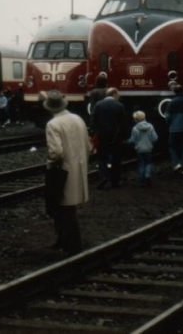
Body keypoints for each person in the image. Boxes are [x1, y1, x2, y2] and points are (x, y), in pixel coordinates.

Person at [43, 89, 91, 254]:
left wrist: (49, 164)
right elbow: (88, 146)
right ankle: (64, 241)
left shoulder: (53, 124)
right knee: (70, 208)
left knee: (62, 207)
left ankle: (71, 244)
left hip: (62, 171)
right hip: (79, 167)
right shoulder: (78, 119)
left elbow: (56, 152)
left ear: (49, 108)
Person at [90, 87, 129, 189]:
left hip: (102, 135)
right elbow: (123, 123)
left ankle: (103, 176)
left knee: (102, 157)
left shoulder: (99, 105)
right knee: (116, 158)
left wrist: (94, 132)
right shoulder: (119, 106)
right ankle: (115, 181)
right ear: (114, 94)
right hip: (116, 136)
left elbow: (93, 120)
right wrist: (124, 136)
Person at [165, 83, 183, 173]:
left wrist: (169, 124)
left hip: (174, 128)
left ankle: (176, 163)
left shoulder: (172, 102)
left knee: (172, 146)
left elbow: (168, 116)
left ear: (174, 92)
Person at [127, 110, 158, 187]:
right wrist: (151, 144)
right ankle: (147, 175)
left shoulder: (135, 128)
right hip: (148, 148)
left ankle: (141, 180)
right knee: (148, 163)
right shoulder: (150, 127)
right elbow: (155, 138)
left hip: (139, 149)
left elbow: (133, 140)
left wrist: (127, 141)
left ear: (135, 119)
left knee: (141, 164)